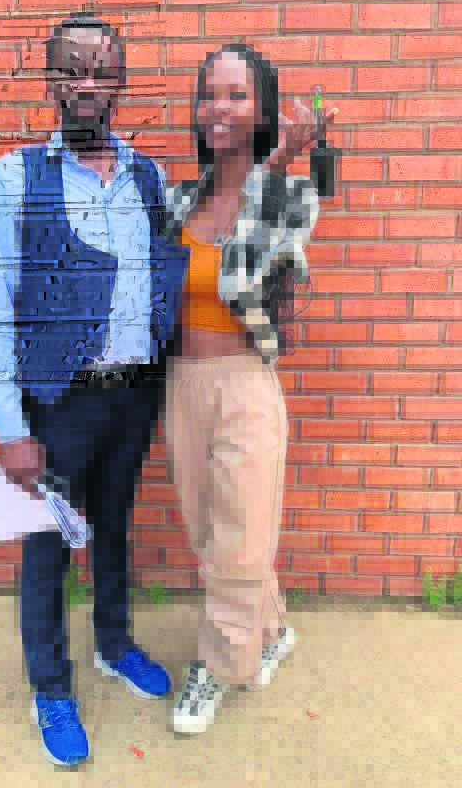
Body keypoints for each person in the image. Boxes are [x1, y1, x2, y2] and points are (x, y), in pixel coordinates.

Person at [0, 14, 189, 767]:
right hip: (58, 401)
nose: (87, 83)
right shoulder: (16, 176)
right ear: (51, 82)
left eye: (102, 69)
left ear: (121, 81)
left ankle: (114, 643)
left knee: (115, 527)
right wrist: (11, 427)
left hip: (132, 395)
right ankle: (50, 686)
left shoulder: (147, 176)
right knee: (48, 547)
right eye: (72, 69)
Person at [164, 43, 338, 734]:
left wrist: (280, 160)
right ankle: (272, 629)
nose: (219, 107)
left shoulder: (290, 195)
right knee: (212, 534)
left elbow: (253, 254)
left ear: (263, 109)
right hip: (183, 384)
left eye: (236, 95)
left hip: (244, 384)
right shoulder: (181, 199)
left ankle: (217, 667)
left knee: (238, 539)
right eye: (210, 94)